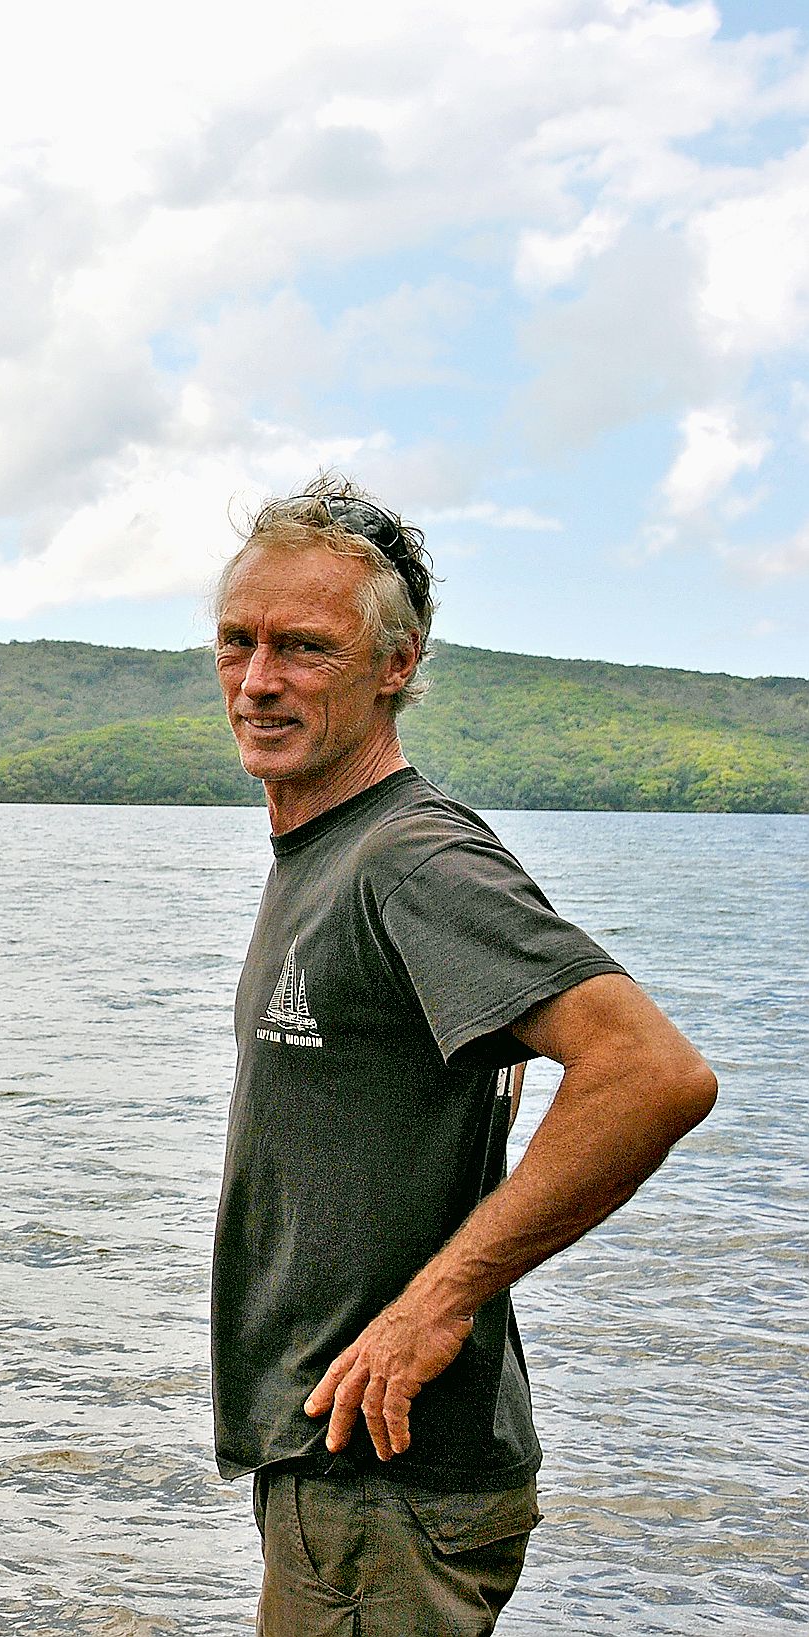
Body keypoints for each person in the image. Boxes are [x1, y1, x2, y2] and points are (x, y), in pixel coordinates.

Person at [207, 474, 718, 1636]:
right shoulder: (328, 850)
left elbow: (650, 1070)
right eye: (238, 641)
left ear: (397, 662)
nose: (259, 679)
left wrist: (437, 1300)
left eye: (307, 647)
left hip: (389, 1482)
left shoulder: (414, 858)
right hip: (344, 1466)